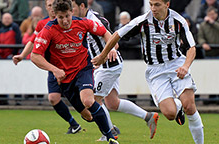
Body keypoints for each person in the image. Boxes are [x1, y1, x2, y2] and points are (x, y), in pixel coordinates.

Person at [91, 0, 204, 144]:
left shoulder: (178, 21)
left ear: (167, 4)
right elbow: (117, 35)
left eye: (157, 4)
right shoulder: (142, 21)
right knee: (169, 114)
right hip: (155, 70)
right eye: (151, 4)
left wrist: (186, 66)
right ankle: (178, 105)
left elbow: (191, 47)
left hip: (177, 64)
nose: (153, 8)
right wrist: (102, 55)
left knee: (190, 105)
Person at [31, 0, 118, 143]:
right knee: (88, 117)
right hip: (64, 78)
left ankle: (111, 137)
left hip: (83, 69)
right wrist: (54, 69)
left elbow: (106, 33)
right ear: (55, 16)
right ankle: (104, 126)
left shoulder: (83, 23)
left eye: (67, 16)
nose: (65, 21)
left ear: (72, 12)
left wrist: (110, 49)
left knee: (88, 100)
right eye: (60, 17)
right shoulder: (48, 30)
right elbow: (35, 56)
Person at [72, 0, 159, 141]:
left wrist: (111, 48)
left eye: (73, 7)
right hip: (106, 65)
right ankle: (148, 117)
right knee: (112, 102)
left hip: (107, 66)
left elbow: (112, 38)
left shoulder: (94, 19)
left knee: (94, 100)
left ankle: (109, 133)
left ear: (82, 6)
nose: (71, 11)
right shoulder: (82, 19)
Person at [13, 0, 82, 135]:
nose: (51, 8)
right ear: (46, 7)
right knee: (53, 98)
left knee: (86, 99)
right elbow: (33, 41)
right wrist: (21, 56)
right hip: (54, 67)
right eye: (49, 6)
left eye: (53, 5)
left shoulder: (71, 21)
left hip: (74, 66)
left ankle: (106, 125)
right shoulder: (42, 24)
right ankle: (73, 124)